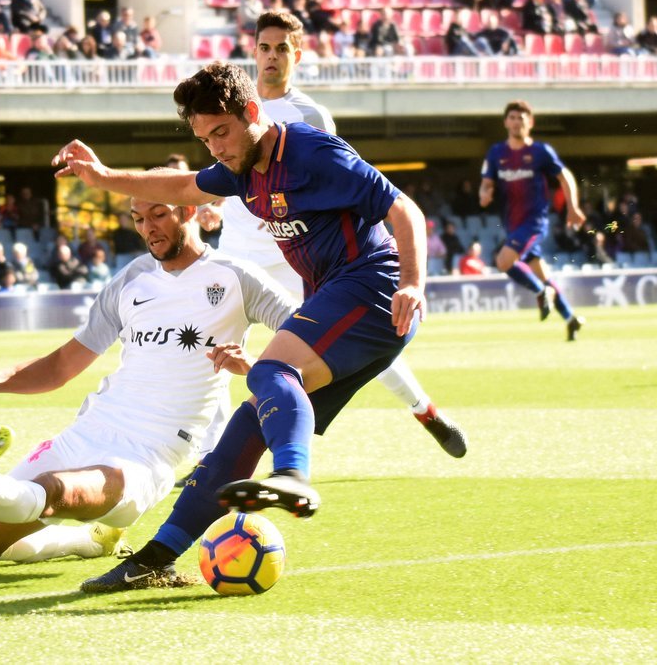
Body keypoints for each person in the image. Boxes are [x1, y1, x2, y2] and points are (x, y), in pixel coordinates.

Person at [56, 60, 429, 591]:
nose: (217, 148)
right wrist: (102, 178)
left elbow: (405, 210)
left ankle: (293, 477)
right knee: (246, 426)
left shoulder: (313, 152)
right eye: (206, 138)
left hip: (375, 287)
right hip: (346, 298)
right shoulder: (238, 169)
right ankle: (156, 558)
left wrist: (412, 282)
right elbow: (183, 185)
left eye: (222, 132)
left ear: (252, 112)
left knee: (270, 370)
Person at [0, 191, 296, 567]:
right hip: (90, 429)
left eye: (159, 214)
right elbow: (63, 364)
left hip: (148, 454)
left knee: (52, 490)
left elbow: (313, 340)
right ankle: (88, 541)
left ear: (189, 210)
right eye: (138, 218)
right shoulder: (131, 279)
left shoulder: (236, 277)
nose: (149, 229)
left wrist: (254, 363)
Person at [209, 10, 466, 457]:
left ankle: (423, 408)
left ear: (298, 54)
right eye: (264, 48)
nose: (272, 57)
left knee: (356, 337)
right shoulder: (232, 108)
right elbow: (223, 173)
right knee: (212, 347)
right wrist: (209, 210)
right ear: (253, 51)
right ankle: (209, 454)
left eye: (281, 49)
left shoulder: (310, 115)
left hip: (292, 255)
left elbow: (334, 182)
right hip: (234, 250)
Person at [479, 100, 586, 341]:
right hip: (513, 225)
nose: (517, 122)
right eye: (513, 118)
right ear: (506, 122)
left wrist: (573, 206)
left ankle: (540, 292)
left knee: (504, 261)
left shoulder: (540, 152)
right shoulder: (496, 153)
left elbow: (564, 175)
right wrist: (484, 193)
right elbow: (486, 183)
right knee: (543, 274)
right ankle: (571, 319)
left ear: (530, 122)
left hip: (534, 223)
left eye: (522, 118)